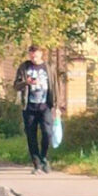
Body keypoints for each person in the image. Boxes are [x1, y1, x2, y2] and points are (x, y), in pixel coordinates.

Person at [14, 45, 60, 174]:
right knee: (31, 136)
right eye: (31, 54)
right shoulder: (24, 67)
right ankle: (37, 164)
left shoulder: (48, 68)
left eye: (36, 54)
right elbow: (16, 86)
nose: (33, 56)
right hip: (29, 107)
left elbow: (55, 87)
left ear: (41, 54)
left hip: (45, 106)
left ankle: (44, 157)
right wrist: (26, 82)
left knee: (47, 133)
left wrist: (56, 106)